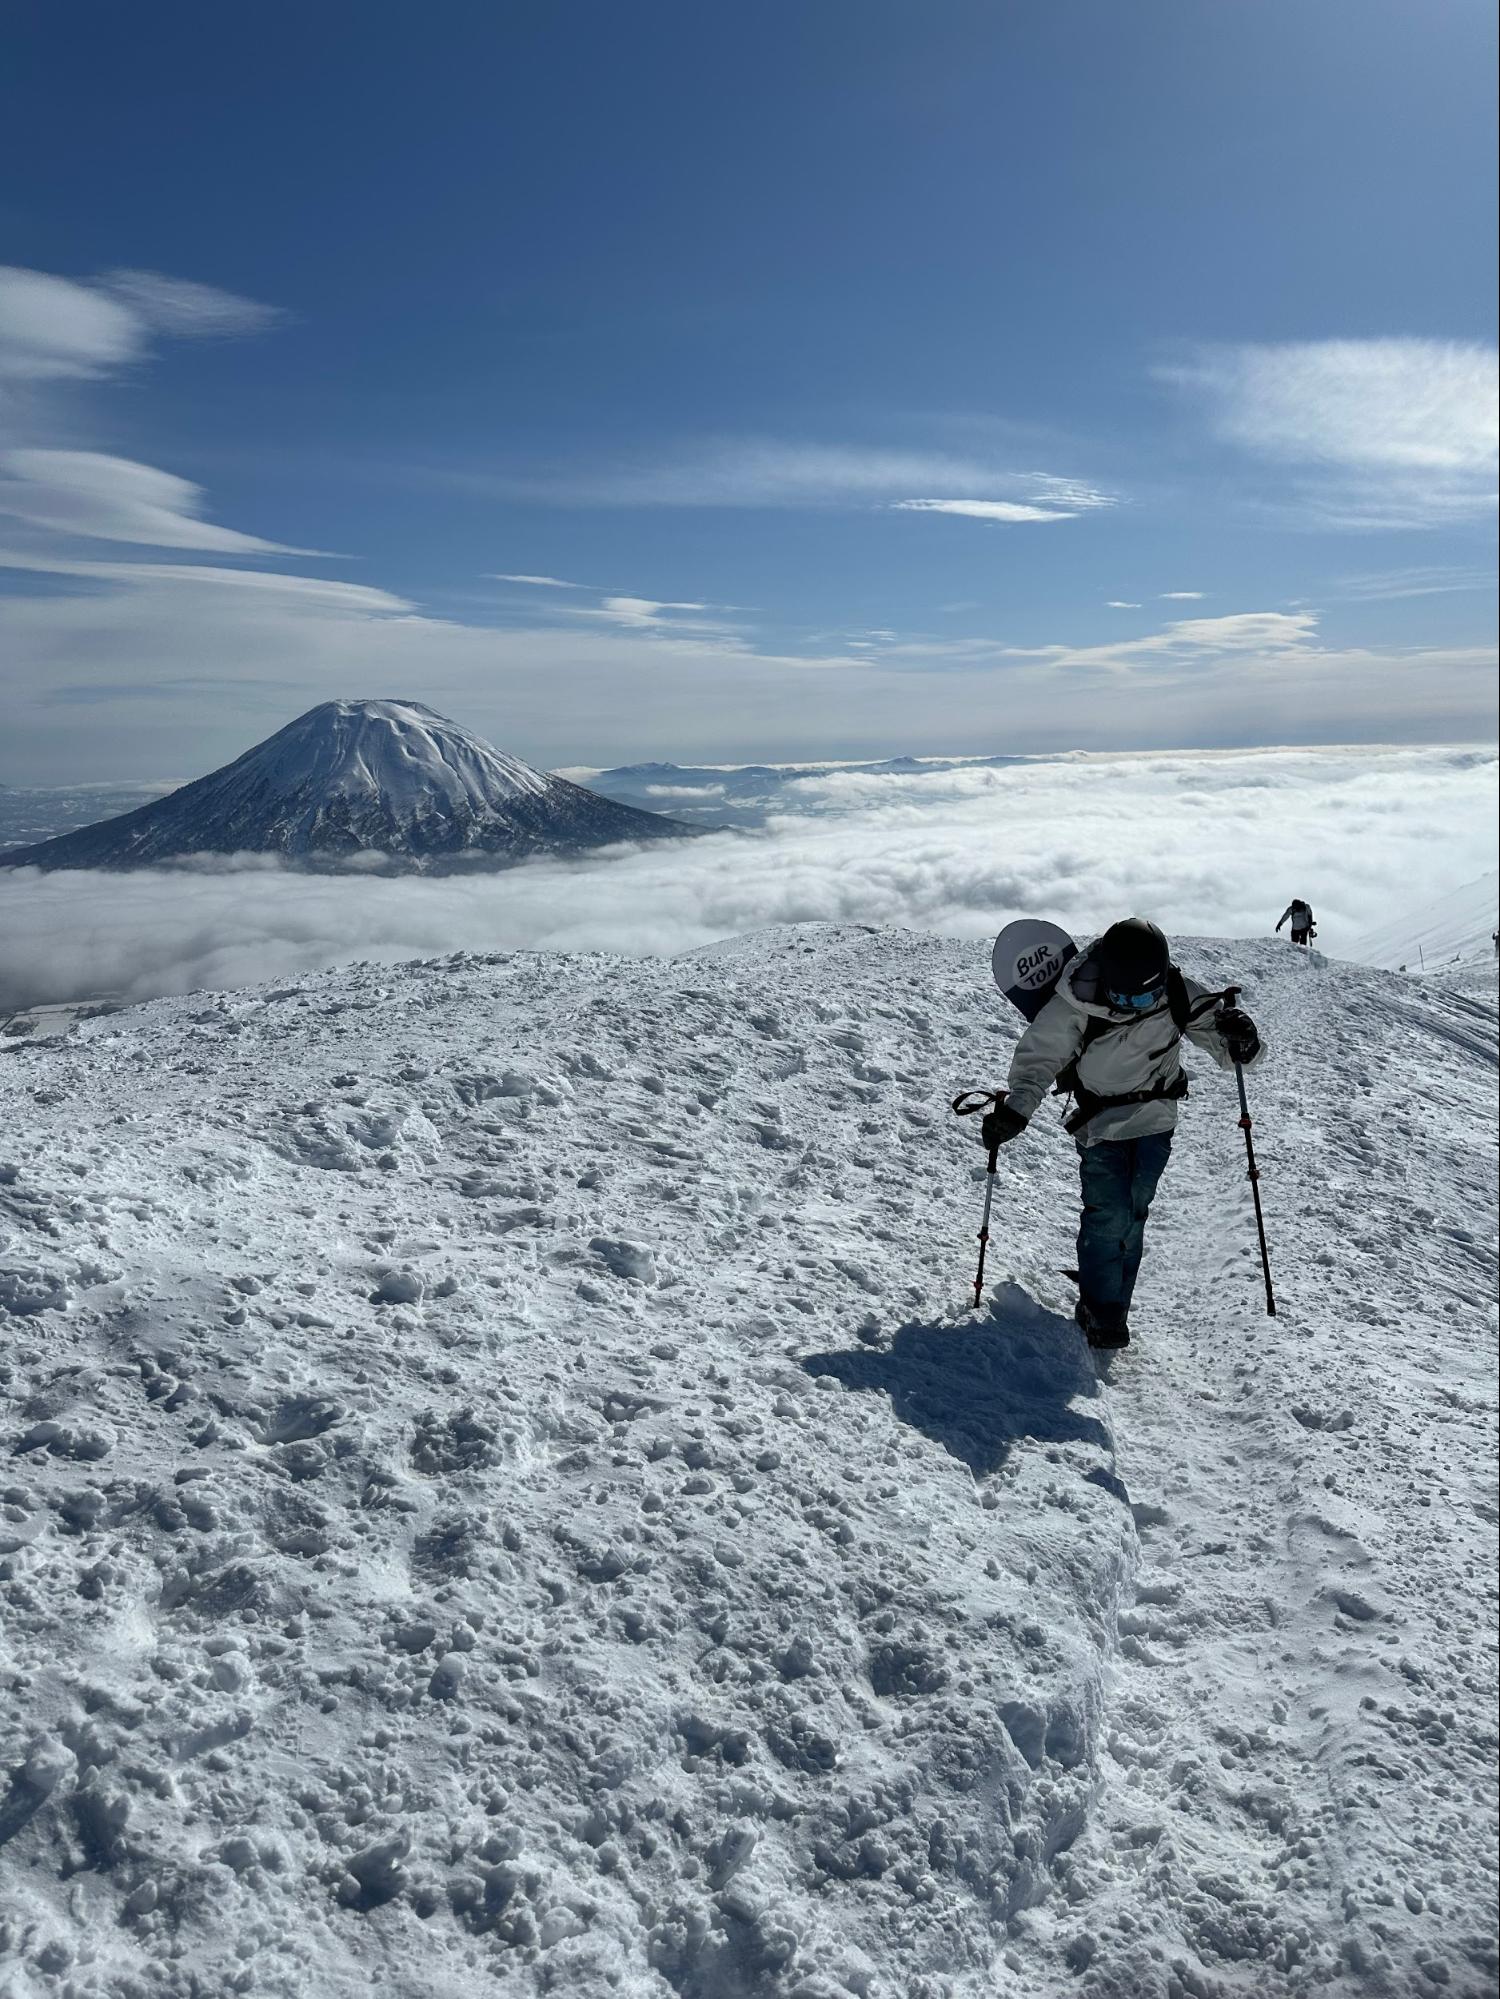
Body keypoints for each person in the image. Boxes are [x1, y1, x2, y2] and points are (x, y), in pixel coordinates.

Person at [980, 917, 1263, 1349]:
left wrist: (1243, 1041)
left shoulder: (1175, 993)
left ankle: (1109, 1303)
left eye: (1147, 995)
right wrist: (1016, 1111)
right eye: (1126, 995)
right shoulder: (1074, 1001)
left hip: (1155, 1122)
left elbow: (1229, 1048)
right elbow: (1039, 1059)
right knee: (1109, 1214)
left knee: (1133, 1215)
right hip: (1101, 1126)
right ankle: (1101, 1310)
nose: (1137, 1003)